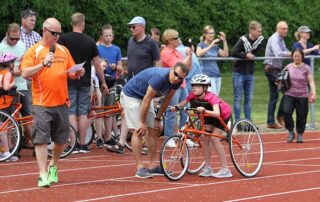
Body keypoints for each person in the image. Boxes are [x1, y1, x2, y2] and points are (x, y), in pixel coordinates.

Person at [21, 18, 85, 187]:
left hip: (62, 102)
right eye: (54, 33)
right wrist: (42, 64)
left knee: (61, 139)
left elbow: (70, 72)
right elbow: (25, 73)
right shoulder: (34, 51)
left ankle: (53, 165)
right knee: (41, 139)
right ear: (45, 31)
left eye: (59, 33)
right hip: (42, 103)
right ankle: (42, 174)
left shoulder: (63, 50)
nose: (57, 36)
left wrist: (77, 72)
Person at [121, 62, 189, 178]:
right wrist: (142, 122)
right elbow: (147, 99)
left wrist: (158, 119)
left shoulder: (177, 82)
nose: (176, 78)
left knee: (153, 130)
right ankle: (140, 168)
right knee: (138, 130)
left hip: (146, 98)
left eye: (180, 78)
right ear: (171, 69)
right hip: (132, 96)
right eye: (175, 74)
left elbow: (166, 100)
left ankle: (152, 166)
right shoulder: (160, 77)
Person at [58, 12, 108, 153]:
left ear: (72, 23)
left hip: (69, 79)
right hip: (85, 80)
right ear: (83, 24)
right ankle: (83, 144)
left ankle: (73, 144)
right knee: (83, 112)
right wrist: (102, 81)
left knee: (71, 111)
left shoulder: (64, 39)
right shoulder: (90, 41)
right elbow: (97, 64)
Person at [171, 74, 232, 178]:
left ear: (205, 88)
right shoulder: (192, 95)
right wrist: (176, 107)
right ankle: (208, 168)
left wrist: (204, 110)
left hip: (222, 115)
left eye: (198, 86)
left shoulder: (211, 97)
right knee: (204, 137)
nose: (194, 87)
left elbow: (217, 113)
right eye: (193, 85)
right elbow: (183, 103)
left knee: (214, 138)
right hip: (208, 117)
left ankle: (225, 169)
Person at [0, 23, 33, 149]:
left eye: (17, 38)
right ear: (6, 35)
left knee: (28, 114)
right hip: (8, 87)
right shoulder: (1, 47)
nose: (15, 41)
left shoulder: (22, 45)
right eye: (12, 38)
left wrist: (23, 69)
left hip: (22, 84)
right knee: (12, 117)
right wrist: (15, 72)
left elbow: (25, 62)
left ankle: (35, 143)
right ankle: (13, 147)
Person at [160, 29, 192, 147]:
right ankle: (168, 138)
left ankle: (184, 136)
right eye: (176, 38)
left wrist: (190, 55)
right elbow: (179, 68)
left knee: (186, 110)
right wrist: (187, 57)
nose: (178, 40)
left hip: (181, 84)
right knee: (171, 111)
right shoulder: (165, 52)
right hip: (172, 85)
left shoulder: (177, 52)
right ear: (169, 40)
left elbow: (187, 67)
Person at [96, 24, 123, 152]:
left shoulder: (116, 49)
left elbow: (121, 68)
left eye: (110, 35)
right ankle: (99, 136)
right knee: (99, 110)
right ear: (102, 36)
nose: (108, 37)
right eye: (106, 35)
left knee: (109, 111)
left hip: (111, 82)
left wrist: (115, 67)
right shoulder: (97, 47)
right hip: (100, 81)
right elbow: (94, 64)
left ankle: (108, 136)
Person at [230, 21, 264, 122]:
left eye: (260, 31)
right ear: (252, 30)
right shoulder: (243, 40)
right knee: (238, 98)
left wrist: (250, 55)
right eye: (258, 31)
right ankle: (237, 122)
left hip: (250, 73)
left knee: (248, 99)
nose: (260, 33)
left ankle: (248, 122)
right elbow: (233, 52)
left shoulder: (259, 41)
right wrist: (245, 55)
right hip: (239, 73)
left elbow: (255, 53)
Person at [281, 49, 316, 143]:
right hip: (289, 94)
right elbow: (281, 77)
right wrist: (279, 82)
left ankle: (300, 134)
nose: (296, 58)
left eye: (298, 56)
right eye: (294, 56)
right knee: (286, 111)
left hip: (302, 95)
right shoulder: (288, 66)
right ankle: (291, 131)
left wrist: (313, 92)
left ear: (302, 57)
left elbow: (311, 81)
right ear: (292, 56)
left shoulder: (306, 68)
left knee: (301, 116)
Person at [263, 21, 291, 129]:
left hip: (278, 70)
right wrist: (292, 54)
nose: (286, 30)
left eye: (286, 28)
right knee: (287, 90)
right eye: (283, 28)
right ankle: (280, 116)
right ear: (277, 28)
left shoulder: (281, 40)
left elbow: (285, 51)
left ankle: (270, 122)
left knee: (274, 96)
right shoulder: (274, 38)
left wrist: (291, 53)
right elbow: (278, 53)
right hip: (271, 70)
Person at [196, 25, 229, 95]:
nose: (212, 35)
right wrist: (211, 45)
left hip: (217, 74)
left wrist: (224, 41)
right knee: (212, 97)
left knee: (216, 98)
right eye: (210, 33)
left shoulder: (215, 46)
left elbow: (225, 55)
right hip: (207, 75)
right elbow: (198, 54)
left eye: (213, 33)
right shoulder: (201, 45)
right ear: (205, 34)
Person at [126, 16, 160, 80]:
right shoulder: (130, 40)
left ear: (142, 27)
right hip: (130, 80)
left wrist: (155, 80)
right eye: (130, 27)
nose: (131, 29)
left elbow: (157, 62)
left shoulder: (151, 42)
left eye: (133, 27)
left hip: (144, 81)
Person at [0, 52, 18, 162]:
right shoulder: (8, 74)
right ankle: (6, 153)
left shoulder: (0, 73)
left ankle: (2, 152)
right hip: (4, 104)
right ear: (10, 64)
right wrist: (14, 84)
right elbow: (6, 87)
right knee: (3, 129)